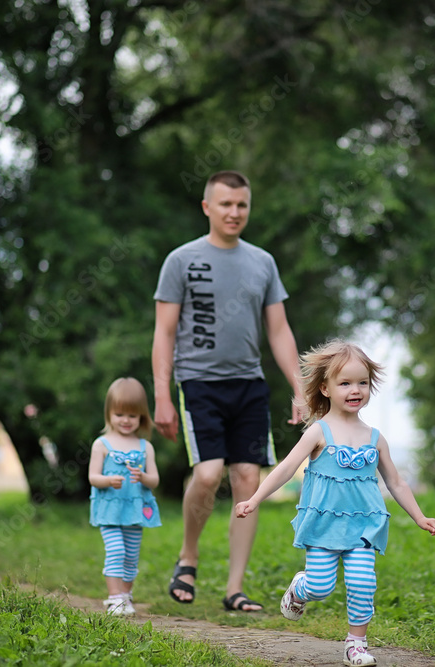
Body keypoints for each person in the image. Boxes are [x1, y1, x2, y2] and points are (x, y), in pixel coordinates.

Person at [152, 170, 303, 612]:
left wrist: (299, 387)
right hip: (198, 383)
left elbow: (279, 331)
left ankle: (235, 588)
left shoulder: (262, 262)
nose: (234, 212)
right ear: (207, 208)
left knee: (248, 480)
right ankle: (188, 556)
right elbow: (163, 333)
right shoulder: (181, 260)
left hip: (249, 385)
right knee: (207, 473)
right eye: (225, 204)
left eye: (242, 205)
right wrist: (163, 395)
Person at [235, 340, 435, 666]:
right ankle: (301, 588)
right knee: (320, 586)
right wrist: (255, 498)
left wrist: (419, 516)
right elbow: (287, 468)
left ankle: (356, 644)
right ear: (325, 389)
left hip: (364, 524)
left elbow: (396, 482)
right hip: (324, 524)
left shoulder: (375, 438)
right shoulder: (319, 432)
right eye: (345, 383)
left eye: (362, 382)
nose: (355, 389)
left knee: (363, 582)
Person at [88, 377, 162, 616]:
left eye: (133, 415)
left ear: (142, 416)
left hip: (134, 511)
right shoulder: (102, 444)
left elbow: (154, 480)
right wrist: (108, 480)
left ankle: (126, 595)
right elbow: (92, 477)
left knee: (131, 556)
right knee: (116, 550)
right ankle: (114, 598)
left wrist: (142, 476)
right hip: (109, 510)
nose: (126, 420)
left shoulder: (144, 446)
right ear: (109, 413)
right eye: (120, 414)